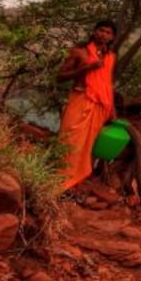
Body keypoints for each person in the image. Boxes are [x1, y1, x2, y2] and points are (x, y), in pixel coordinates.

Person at [56, 20, 118, 190]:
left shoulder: (110, 57)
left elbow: (107, 83)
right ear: (94, 31)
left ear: (112, 37)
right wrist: (86, 68)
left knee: (88, 143)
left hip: (100, 105)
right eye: (101, 30)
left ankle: (77, 180)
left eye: (108, 33)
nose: (103, 34)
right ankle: (60, 178)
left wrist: (112, 107)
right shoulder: (79, 52)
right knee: (69, 138)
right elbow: (60, 77)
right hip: (80, 98)